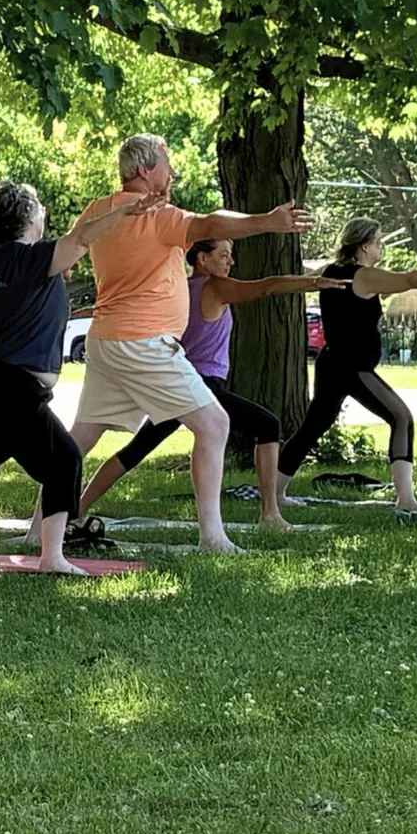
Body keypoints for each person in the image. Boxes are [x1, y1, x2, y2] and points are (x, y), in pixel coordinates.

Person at [68, 135, 311, 555]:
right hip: (144, 343)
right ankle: (212, 537)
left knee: (82, 436)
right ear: (146, 170)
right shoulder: (158, 216)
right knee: (214, 424)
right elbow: (211, 224)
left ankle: (41, 527)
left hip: (106, 340)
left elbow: (71, 245)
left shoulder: (98, 211)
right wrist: (267, 220)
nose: (173, 173)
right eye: (167, 165)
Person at [0, 181, 161, 573]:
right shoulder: (32, 258)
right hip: (13, 385)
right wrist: (125, 210)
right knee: (64, 459)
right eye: (39, 207)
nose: (44, 213)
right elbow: (81, 238)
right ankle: (51, 557)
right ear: (26, 218)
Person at [75, 239, 347, 528]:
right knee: (268, 426)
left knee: (136, 450)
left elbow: (129, 307)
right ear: (202, 258)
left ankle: (77, 507)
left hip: (176, 383)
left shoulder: (177, 290)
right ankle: (270, 514)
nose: (231, 261)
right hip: (202, 384)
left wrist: (90, 311)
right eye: (224, 255)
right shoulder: (215, 287)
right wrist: (313, 282)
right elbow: (265, 286)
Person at [274, 218, 417, 514]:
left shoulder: (331, 271)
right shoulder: (364, 276)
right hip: (351, 367)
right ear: (364, 246)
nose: (382, 246)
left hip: (332, 363)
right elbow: (409, 279)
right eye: (378, 241)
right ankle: (406, 499)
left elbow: (303, 281)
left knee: (313, 426)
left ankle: (275, 492)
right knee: (401, 418)